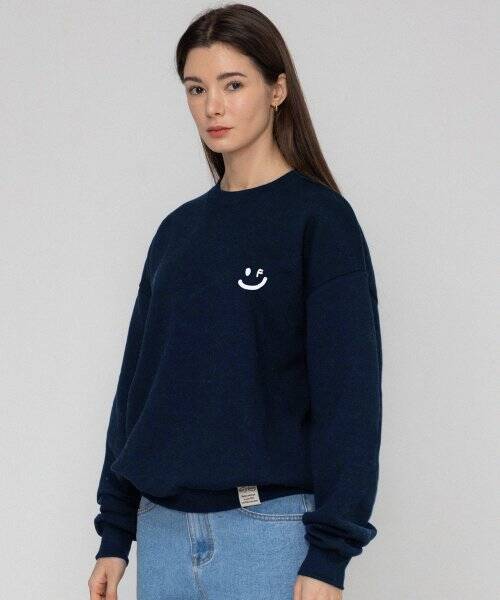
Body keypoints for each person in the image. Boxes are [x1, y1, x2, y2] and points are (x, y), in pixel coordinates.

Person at [88, 4, 383, 600]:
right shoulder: (177, 233)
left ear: (277, 90)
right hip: (163, 534)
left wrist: (330, 555)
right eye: (196, 88)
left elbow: (349, 397)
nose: (212, 107)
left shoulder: (320, 222)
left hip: (270, 534)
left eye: (233, 84)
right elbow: (137, 389)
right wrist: (115, 533)